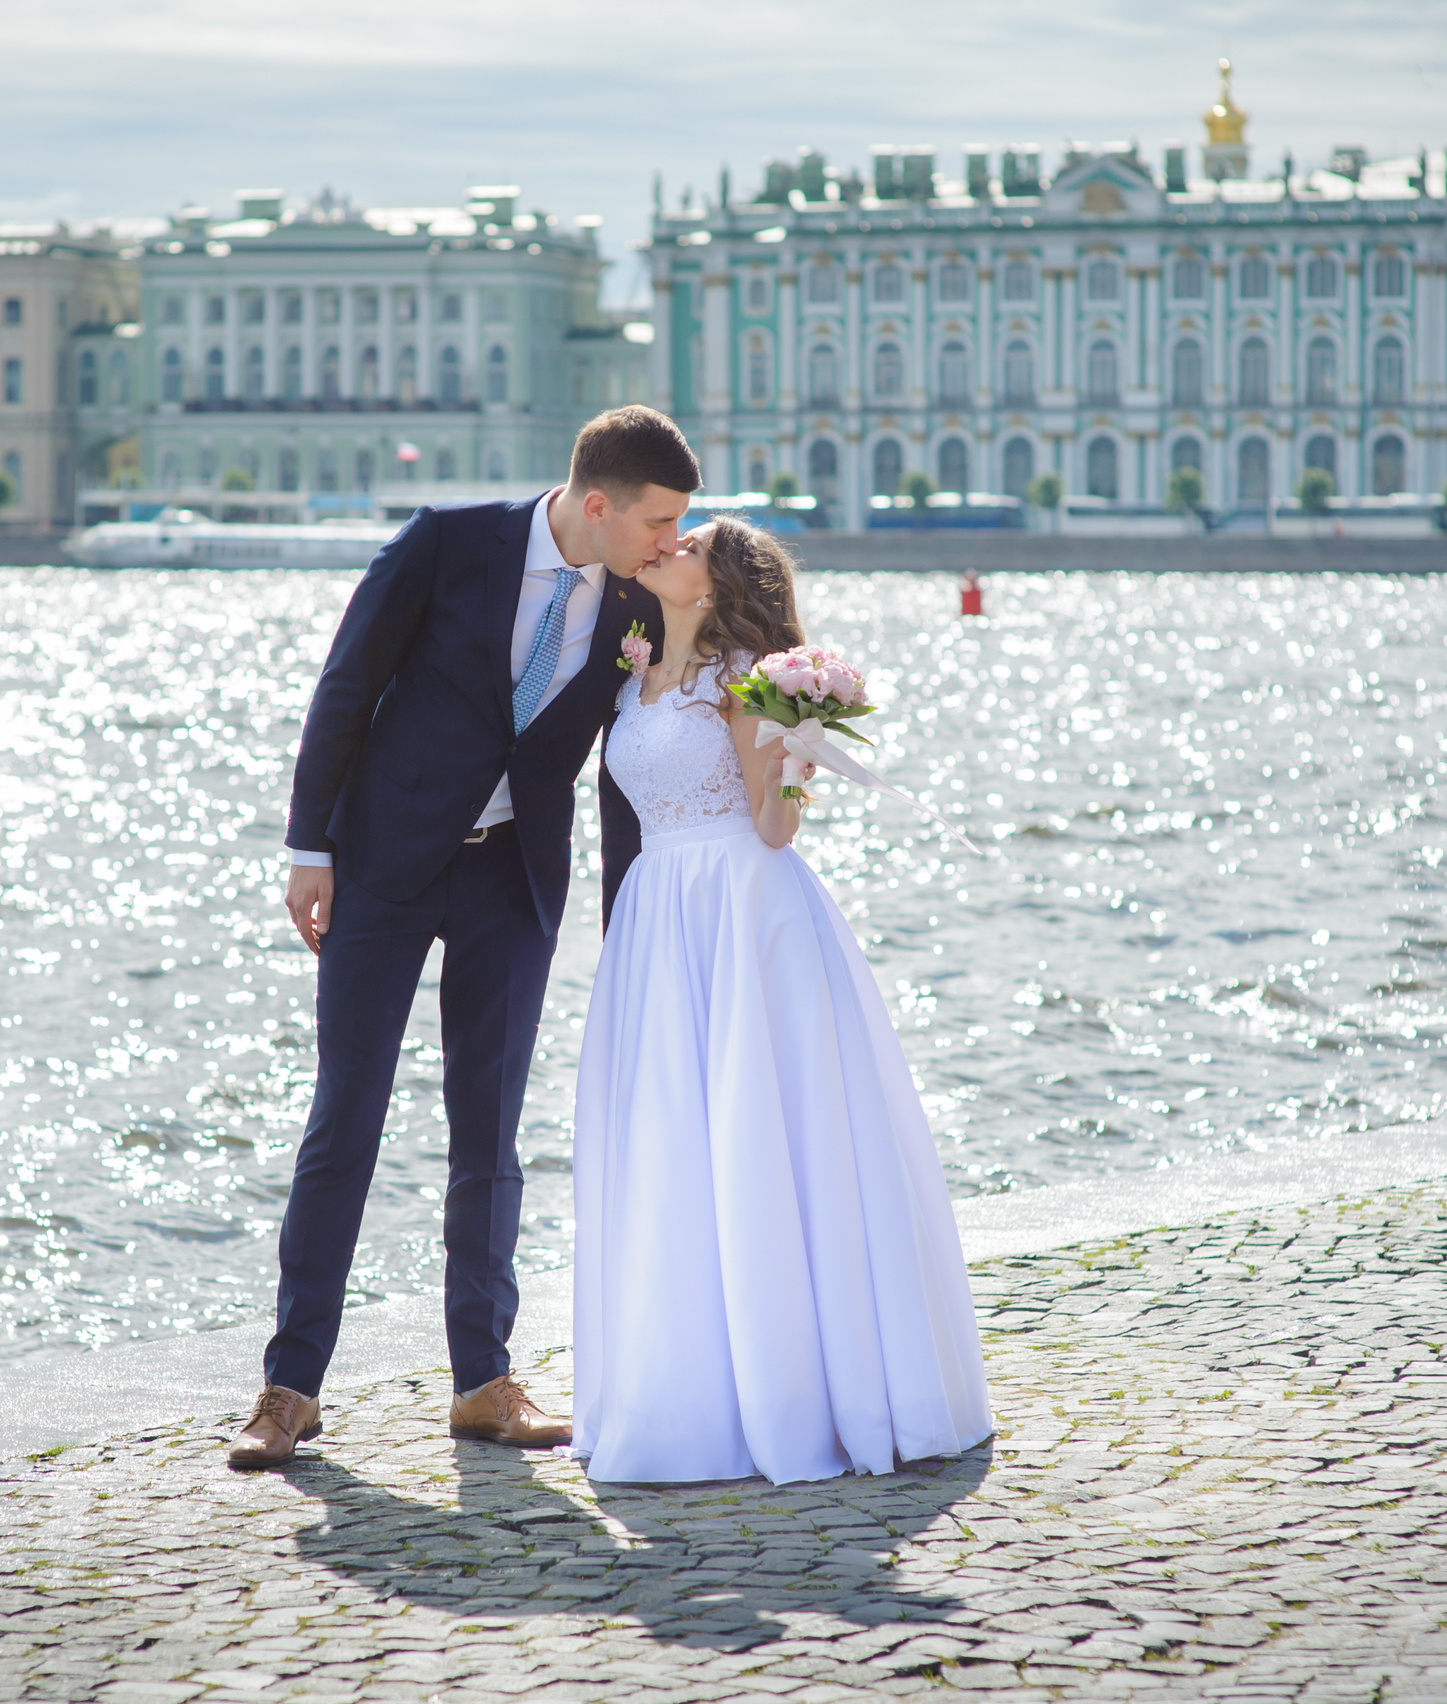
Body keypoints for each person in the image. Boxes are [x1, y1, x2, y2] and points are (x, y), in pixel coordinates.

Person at [228, 407, 696, 1470]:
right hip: (381, 867)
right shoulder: (444, 541)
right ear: (595, 504)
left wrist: (632, 919)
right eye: (658, 520)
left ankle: (482, 1381)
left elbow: (626, 766)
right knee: (344, 1117)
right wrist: (310, 847)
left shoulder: (638, 600)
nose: (671, 539)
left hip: (511, 879)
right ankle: (288, 1388)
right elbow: (347, 685)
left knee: (488, 1132)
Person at [571, 520, 995, 1485]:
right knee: (674, 1135)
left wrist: (799, 754)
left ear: (714, 586)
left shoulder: (741, 679)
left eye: (687, 549)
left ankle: (789, 1390)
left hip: (741, 910)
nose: (666, 550)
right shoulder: (636, 670)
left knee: (763, 1126)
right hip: (656, 918)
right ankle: (674, 1376)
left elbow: (771, 832)